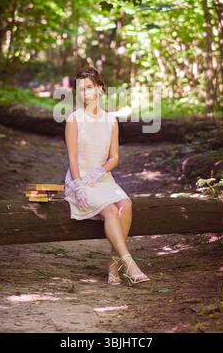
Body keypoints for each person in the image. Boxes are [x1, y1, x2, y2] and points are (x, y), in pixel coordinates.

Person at [64, 66, 150, 286]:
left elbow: (114, 157)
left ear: (100, 88)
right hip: (79, 181)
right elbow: (72, 158)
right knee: (112, 210)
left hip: (102, 179)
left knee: (126, 205)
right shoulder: (74, 119)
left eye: (90, 87)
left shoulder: (110, 121)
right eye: (81, 89)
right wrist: (80, 185)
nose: (85, 93)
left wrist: (98, 172)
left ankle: (113, 266)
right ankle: (129, 265)